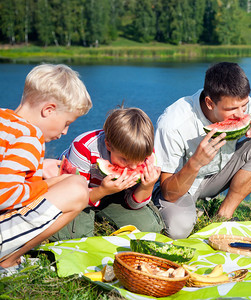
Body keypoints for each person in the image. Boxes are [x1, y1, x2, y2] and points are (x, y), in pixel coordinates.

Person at [153, 62, 251, 239]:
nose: (242, 114)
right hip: (181, 185)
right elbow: (168, 192)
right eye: (232, 110)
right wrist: (195, 162)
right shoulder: (173, 123)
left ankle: (223, 215)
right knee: (177, 229)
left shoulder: (240, 103)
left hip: (218, 175)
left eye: (244, 105)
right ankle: (189, 211)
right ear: (210, 103)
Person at [0, 64, 92, 275]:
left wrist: (40, 169)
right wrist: (49, 183)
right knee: (78, 188)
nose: (65, 132)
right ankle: (7, 262)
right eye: (67, 122)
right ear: (48, 110)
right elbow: (5, 195)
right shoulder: (29, 137)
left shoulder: (5, 121)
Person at [49, 107, 164, 241]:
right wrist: (103, 191)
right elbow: (73, 197)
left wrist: (147, 186)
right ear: (108, 145)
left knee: (150, 227)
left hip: (114, 194)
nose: (133, 167)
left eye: (138, 161)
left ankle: (100, 214)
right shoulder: (83, 147)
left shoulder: (143, 151)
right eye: (124, 159)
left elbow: (133, 204)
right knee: (77, 235)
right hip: (75, 192)